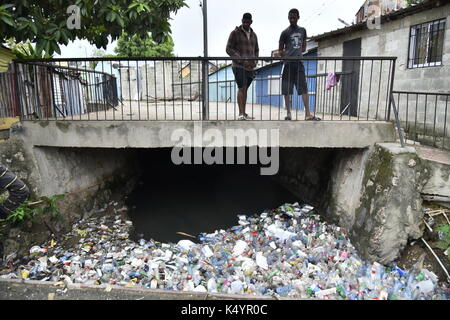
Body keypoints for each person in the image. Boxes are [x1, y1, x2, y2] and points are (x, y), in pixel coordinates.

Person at [276, 8, 321, 121]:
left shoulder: (303, 30)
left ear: (298, 17)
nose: (292, 19)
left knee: (303, 88)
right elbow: (280, 51)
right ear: (288, 18)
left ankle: (308, 114)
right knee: (287, 89)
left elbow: (304, 47)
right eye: (290, 17)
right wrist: (287, 54)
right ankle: (288, 113)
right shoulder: (284, 33)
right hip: (288, 64)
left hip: (299, 63)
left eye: (294, 17)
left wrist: (295, 52)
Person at [226, 12, 259, 120]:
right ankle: (241, 114)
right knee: (242, 87)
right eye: (244, 21)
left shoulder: (254, 35)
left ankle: (244, 113)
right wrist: (240, 60)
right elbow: (228, 49)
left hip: (250, 67)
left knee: (245, 90)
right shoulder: (235, 33)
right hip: (238, 66)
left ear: (251, 22)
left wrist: (255, 61)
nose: (245, 23)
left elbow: (257, 49)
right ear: (242, 20)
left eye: (247, 22)